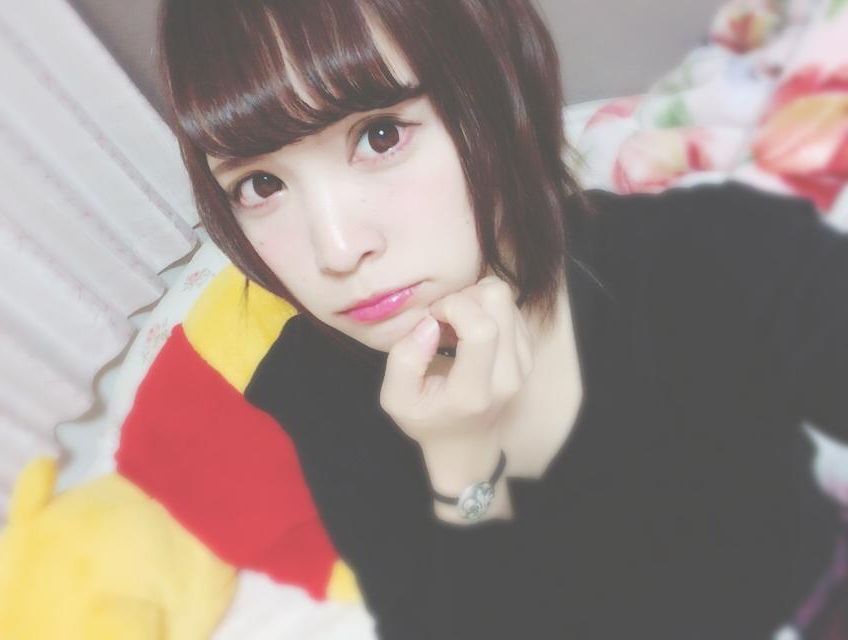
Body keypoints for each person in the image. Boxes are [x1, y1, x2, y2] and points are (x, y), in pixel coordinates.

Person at [158, 0, 848, 637]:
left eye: (380, 136)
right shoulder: (310, 383)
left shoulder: (708, 256)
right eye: (261, 185)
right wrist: (463, 469)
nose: (336, 251)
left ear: (494, 90)